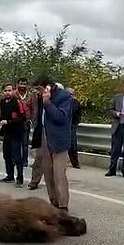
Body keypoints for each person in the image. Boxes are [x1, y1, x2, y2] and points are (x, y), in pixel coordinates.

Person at [30, 75, 73, 210]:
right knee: (47, 172)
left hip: (59, 139)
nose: (38, 92)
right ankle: (53, 201)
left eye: (39, 89)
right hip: (44, 136)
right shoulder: (39, 98)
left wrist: (48, 103)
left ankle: (63, 204)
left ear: (47, 86)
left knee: (58, 173)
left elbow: (61, 118)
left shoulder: (64, 97)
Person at [0, 83, 27, 187]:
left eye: (9, 90)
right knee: (6, 155)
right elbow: (2, 115)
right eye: (5, 91)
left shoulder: (17, 102)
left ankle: (20, 178)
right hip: (7, 132)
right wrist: (1, 121)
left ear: (14, 91)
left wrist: (9, 122)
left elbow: (23, 117)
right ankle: (10, 175)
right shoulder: (2, 102)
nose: (7, 93)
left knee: (16, 155)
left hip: (16, 132)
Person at [67, 88, 82, 168]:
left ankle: (75, 162)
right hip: (63, 126)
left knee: (73, 145)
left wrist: (75, 123)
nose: (71, 96)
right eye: (69, 94)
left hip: (72, 125)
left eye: (72, 94)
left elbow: (79, 114)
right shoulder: (62, 102)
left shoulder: (76, 103)